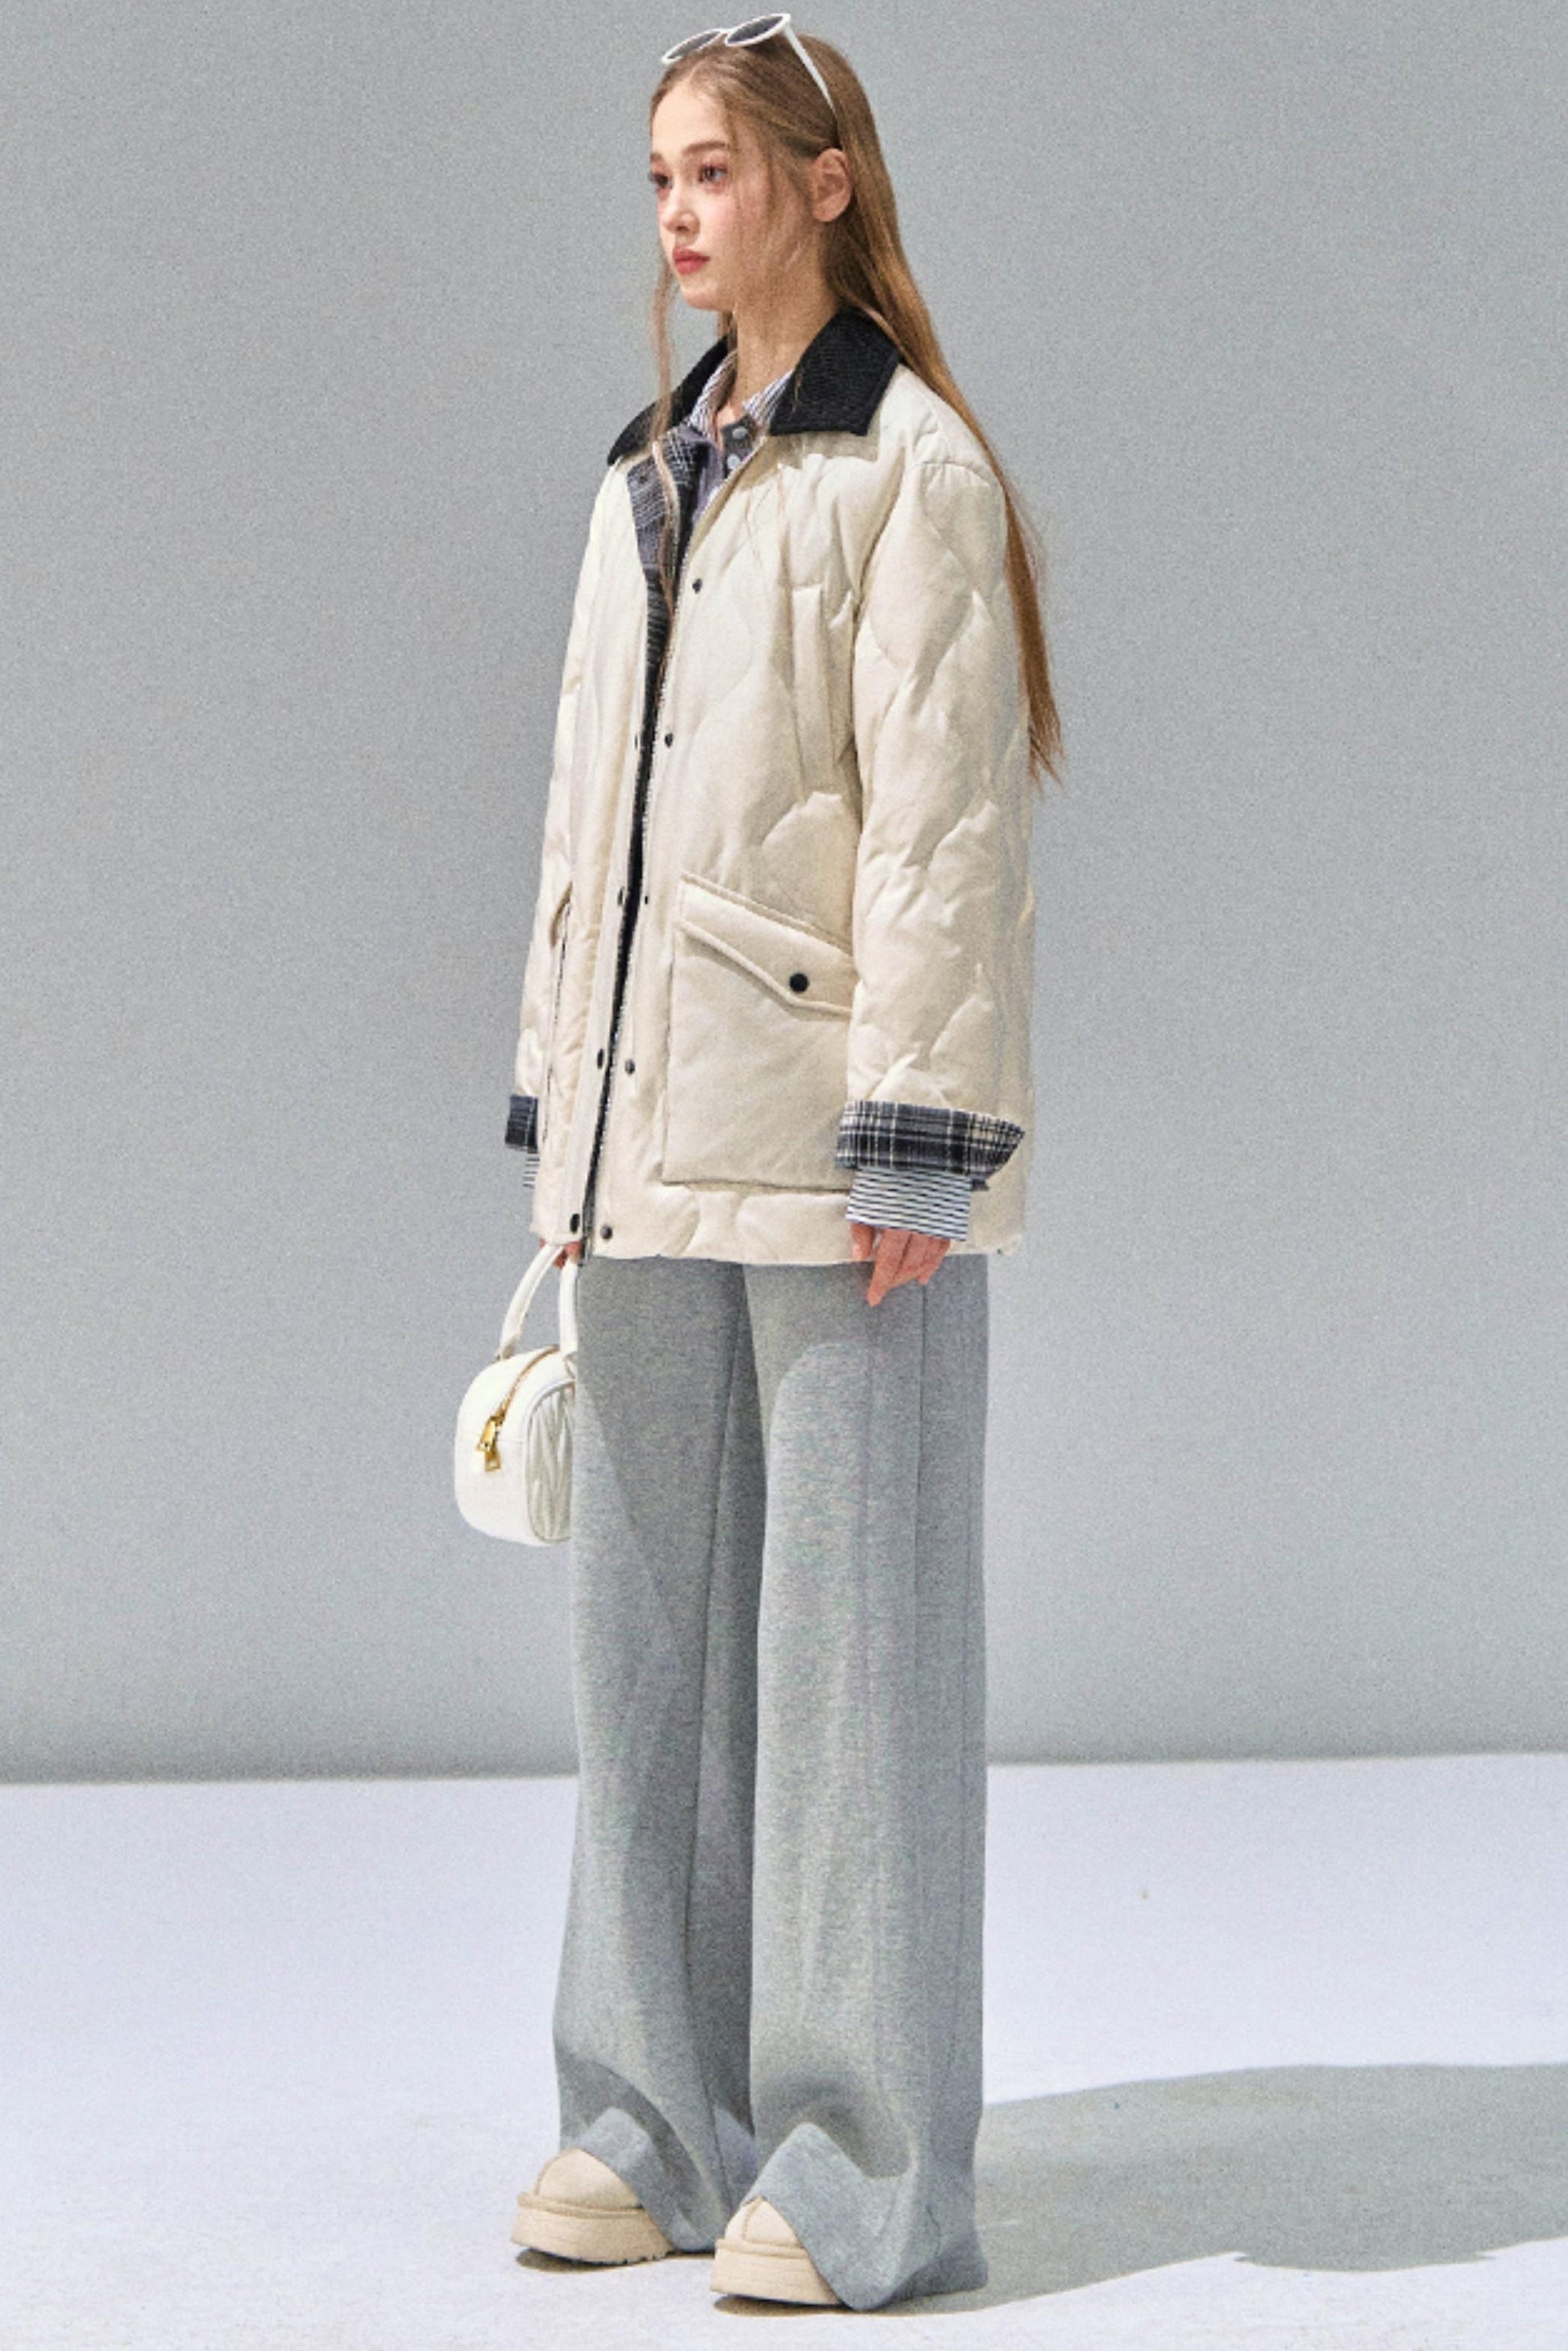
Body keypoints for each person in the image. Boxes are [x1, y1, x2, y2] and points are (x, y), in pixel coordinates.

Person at [503, 14, 1061, 2314]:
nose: (678, 211)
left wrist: (919, 1149)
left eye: (715, 169)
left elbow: (944, 831)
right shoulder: (644, 475)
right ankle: (646, 2120)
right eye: (659, 174)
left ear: (825, 182)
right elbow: (585, 827)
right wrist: (557, 1110)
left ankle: (861, 2168)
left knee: (848, 1675)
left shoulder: (910, 466)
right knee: (640, 1649)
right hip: (647, 1146)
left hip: (842, 1162)